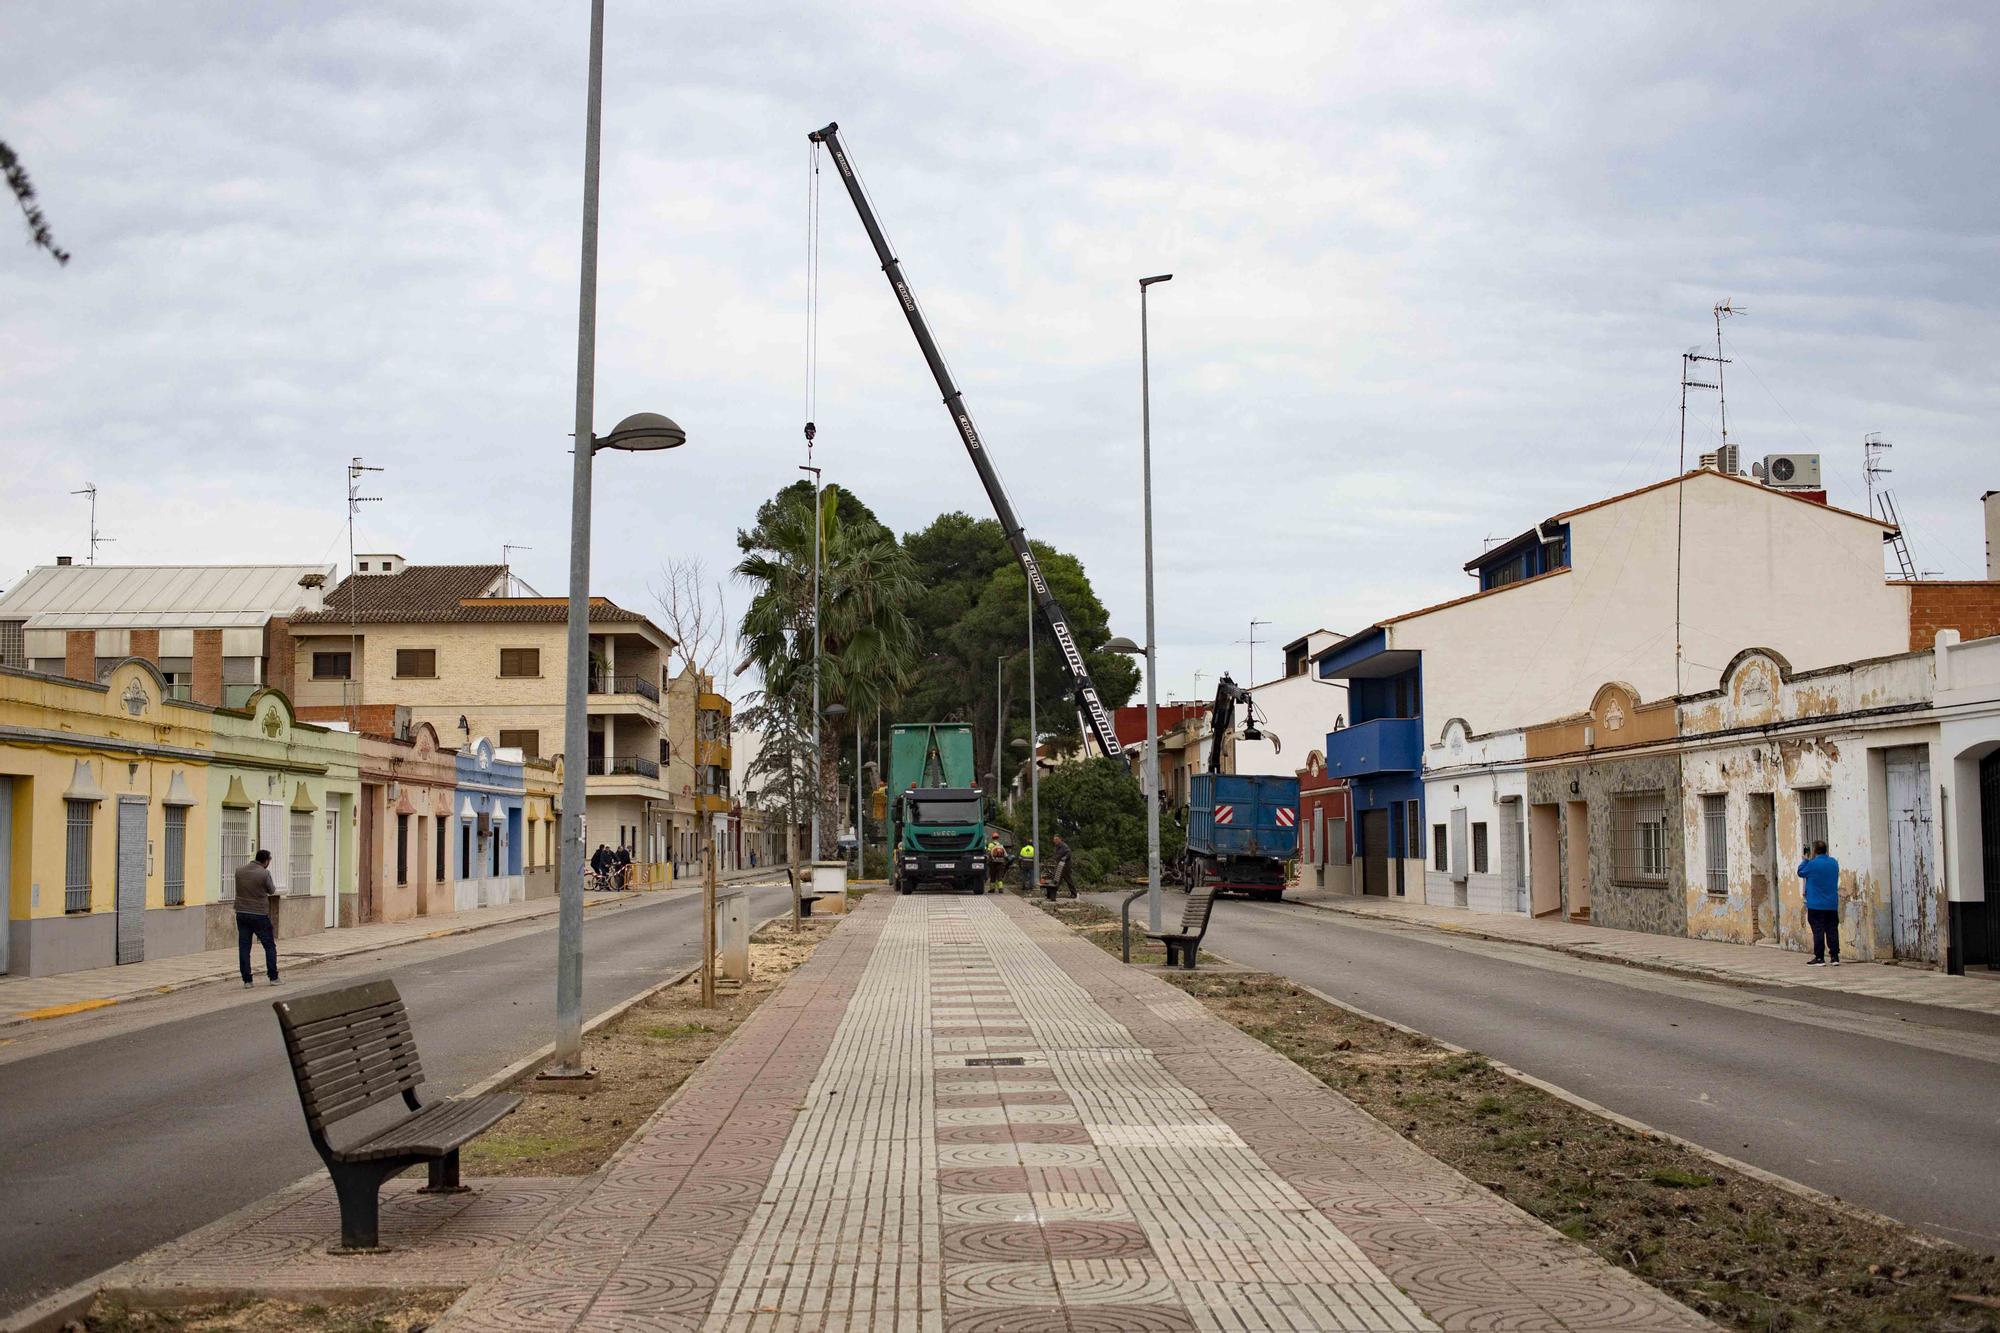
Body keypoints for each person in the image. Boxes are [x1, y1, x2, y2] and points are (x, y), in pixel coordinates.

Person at [235, 849, 282, 987]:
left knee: (244, 947)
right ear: (266, 860)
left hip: (241, 912)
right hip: (259, 914)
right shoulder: (264, 873)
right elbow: (271, 890)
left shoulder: (239, 870)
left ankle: (247, 980)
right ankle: (273, 977)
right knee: (269, 946)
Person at [1797, 838, 1841, 966]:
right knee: (1832, 930)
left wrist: (1805, 859)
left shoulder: (1811, 864)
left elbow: (1800, 872)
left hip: (1816, 904)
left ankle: (1820, 957)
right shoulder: (1834, 863)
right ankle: (1835, 957)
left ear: (1815, 851)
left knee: (1818, 930)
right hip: (1832, 904)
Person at [1048, 834, 1077, 900]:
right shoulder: (1057, 846)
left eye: (1057, 839)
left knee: (1062, 879)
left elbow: (1069, 853)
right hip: (1060, 864)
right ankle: (1052, 894)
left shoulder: (1064, 845)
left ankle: (1073, 894)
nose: (1055, 841)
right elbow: (1057, 855)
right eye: (1054, 839)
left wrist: (1065, 858)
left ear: (1060, 839)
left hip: (1065, 865)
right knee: (1059, 879)